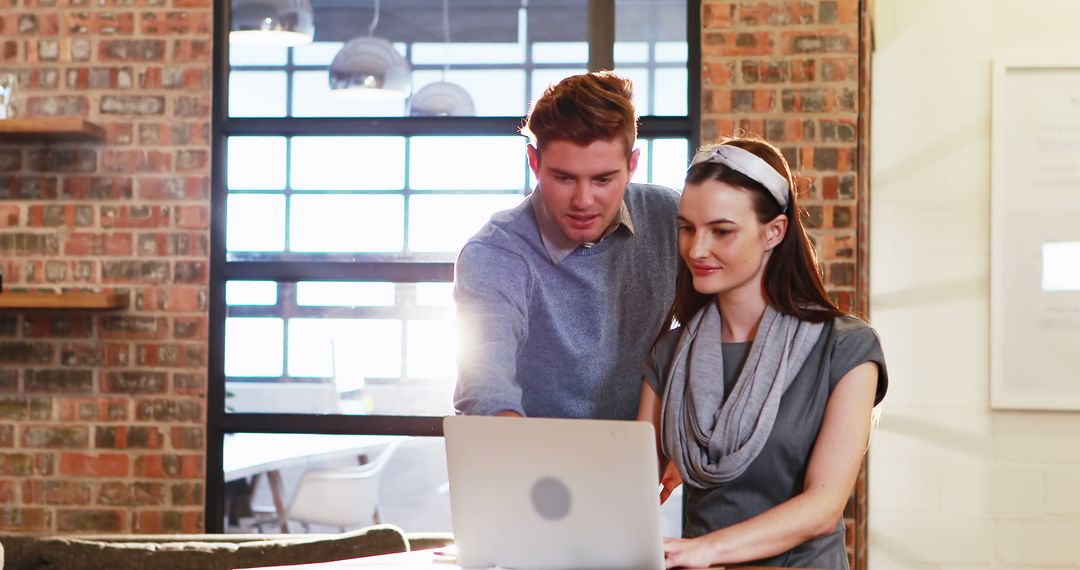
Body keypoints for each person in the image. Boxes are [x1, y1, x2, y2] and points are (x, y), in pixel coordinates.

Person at [637, 137, 888, 569]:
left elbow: (823, 506)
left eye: (721, 231)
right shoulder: (670, 354)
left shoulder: (846, 348)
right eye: (687, 228)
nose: (697, 249)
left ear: (774, 231)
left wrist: (704, 549)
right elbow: (633, 487)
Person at [453, 70, 680, 419]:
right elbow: (485, 379)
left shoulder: (668, 218)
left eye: (603, 179)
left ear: (632, 165)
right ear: (534, 162)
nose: (583, 201)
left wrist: (683, 431)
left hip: (636, 456)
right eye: (564, 178)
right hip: (529, 456)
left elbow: (721, 323)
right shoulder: (494, 253)